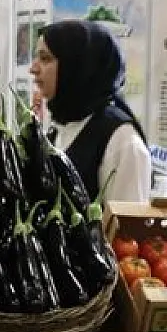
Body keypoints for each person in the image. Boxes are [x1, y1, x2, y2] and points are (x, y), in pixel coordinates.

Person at [30, 19, 152, 207]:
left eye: (46, 59)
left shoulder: (122, 141)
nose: (34, 69)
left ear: (77, 66)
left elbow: (125, 230)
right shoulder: (61, 125)